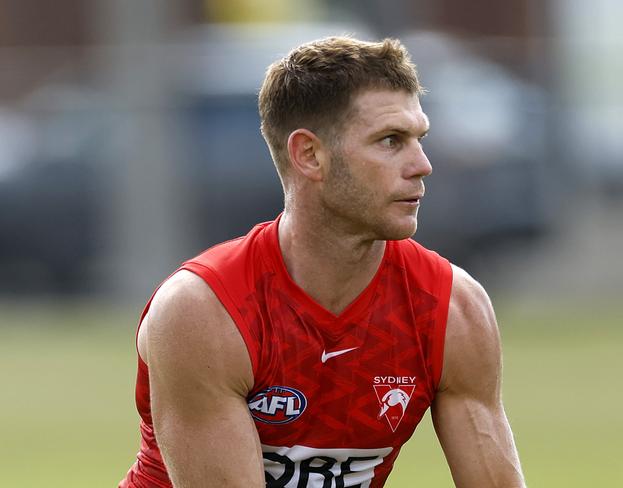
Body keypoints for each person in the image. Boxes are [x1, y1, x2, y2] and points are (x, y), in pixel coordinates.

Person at [120, 36, 526, 488]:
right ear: (309, 155)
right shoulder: (204, 311)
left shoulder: (453, 309)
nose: (422, 164)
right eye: (391, 141)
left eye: (419, 138)